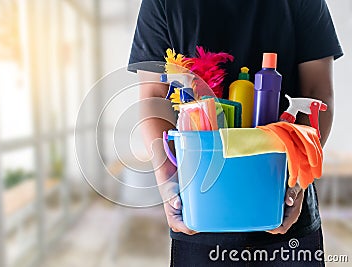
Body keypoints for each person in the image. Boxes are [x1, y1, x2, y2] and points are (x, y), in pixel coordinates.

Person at [128, 0, 343, 266]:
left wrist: (299, 181)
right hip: (201, 215)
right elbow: (154, 95)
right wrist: (168, 183)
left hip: (287, 217)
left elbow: (317, 95)